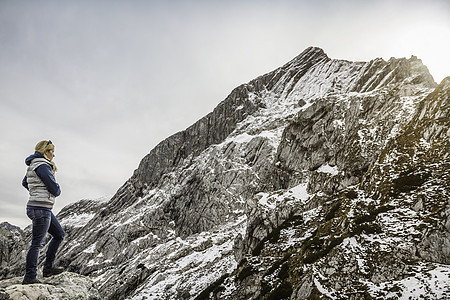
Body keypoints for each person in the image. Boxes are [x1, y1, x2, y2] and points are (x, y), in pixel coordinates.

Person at [21, 140, 65, 284]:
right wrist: (56, 190)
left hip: (39, 207)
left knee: (59, 234)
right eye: (51, 151)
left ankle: (48, 268)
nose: (54, 154)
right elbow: (53, 188)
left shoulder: (34, 164)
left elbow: (24, 182)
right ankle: (30, 277)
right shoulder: (43, 166)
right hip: (41, 208)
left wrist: (35, 192)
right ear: (45, 152)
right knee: (37, 243)